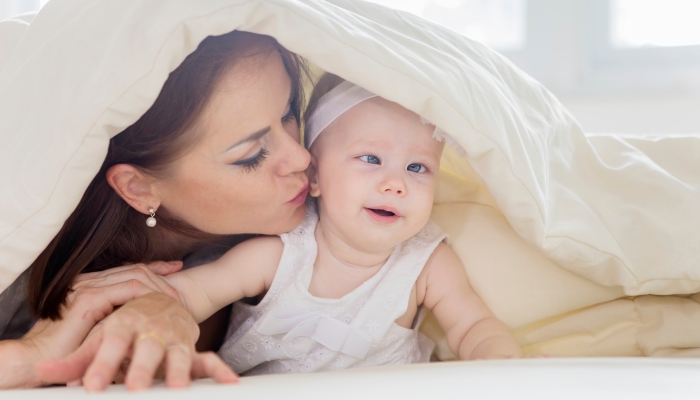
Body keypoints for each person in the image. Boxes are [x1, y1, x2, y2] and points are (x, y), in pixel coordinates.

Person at [105, 74, 521, 375]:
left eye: (418, 167)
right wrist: (145, 315)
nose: (395, 183)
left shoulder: (428, 263)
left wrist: (503, 365)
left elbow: (473, 327)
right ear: (315, 176)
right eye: (370, 159)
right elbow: (193, 291)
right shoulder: (279, 253)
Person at [0, 30, 312, 390]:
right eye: (251, 155)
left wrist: (170, 305)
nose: (301, 157)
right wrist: (30, 354)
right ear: (138, 188)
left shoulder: (326, 201)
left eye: (289, 112)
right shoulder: (21, 240)